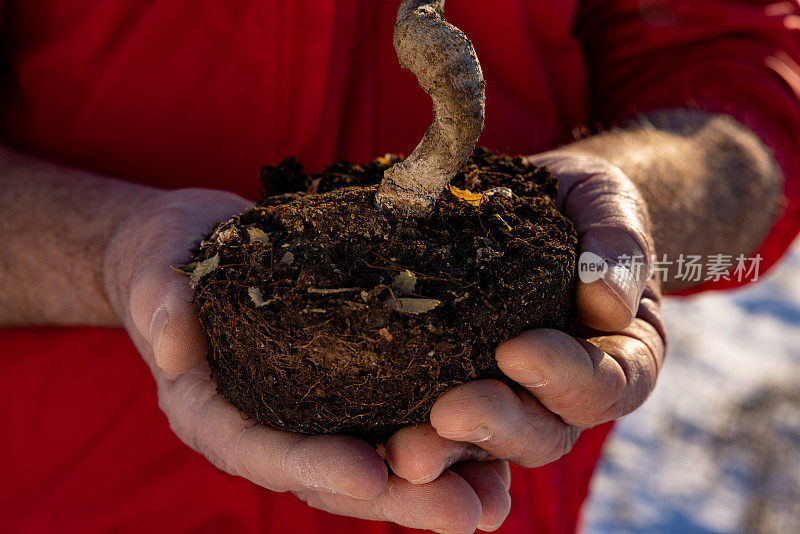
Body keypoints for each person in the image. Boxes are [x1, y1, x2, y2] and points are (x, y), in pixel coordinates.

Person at [0, 1, 798, 533]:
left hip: (497, 480)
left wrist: (631, 203)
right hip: (71, 488)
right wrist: (106, 248)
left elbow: (744, 83)